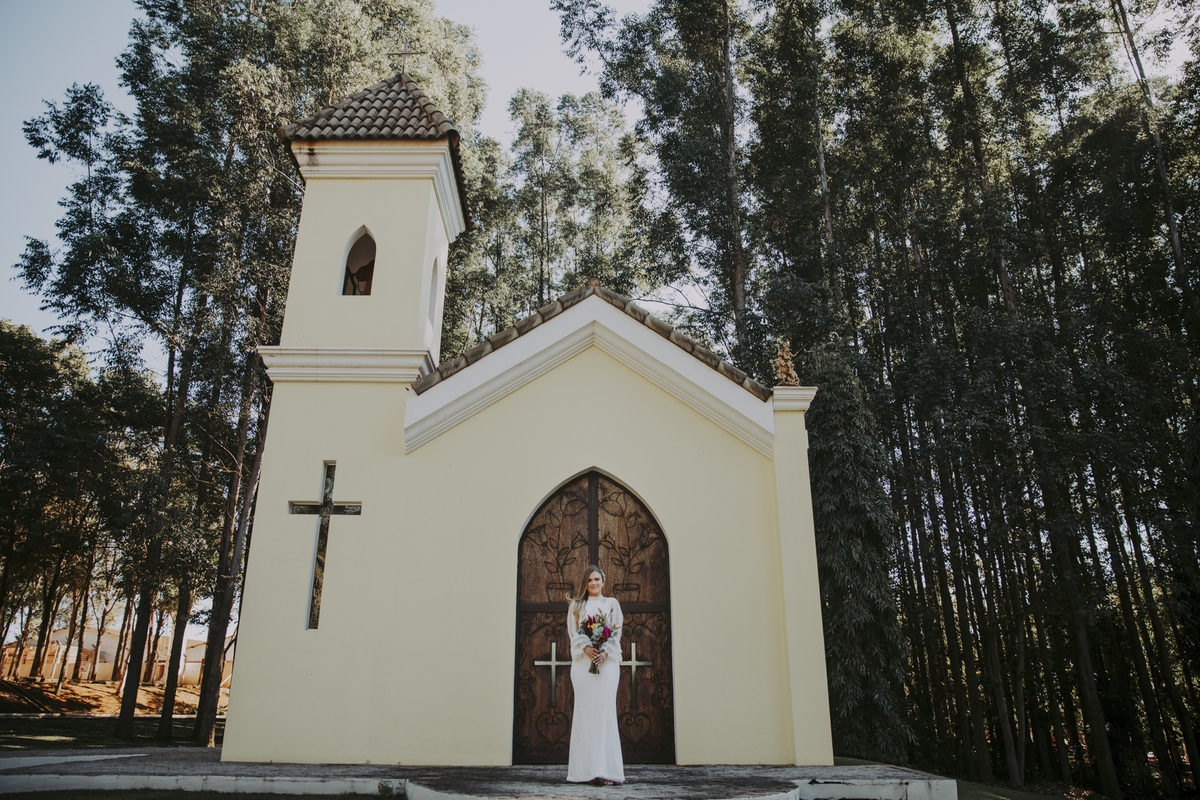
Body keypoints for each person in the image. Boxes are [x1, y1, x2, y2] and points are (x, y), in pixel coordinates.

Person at [566, 565, 625, 785]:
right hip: (583, 666)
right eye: (590, 580)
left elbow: (616, 630)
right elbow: (574, 632)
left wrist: (603, 650)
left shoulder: (611, 604)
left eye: (597, 579)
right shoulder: (576, 605)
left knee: (604, 713)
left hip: (606, 665)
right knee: (585, 713)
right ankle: (585, 771)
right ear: (585, 582)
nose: (593, 583)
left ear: (603, 580)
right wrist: (586, 649)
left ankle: (605, 770)